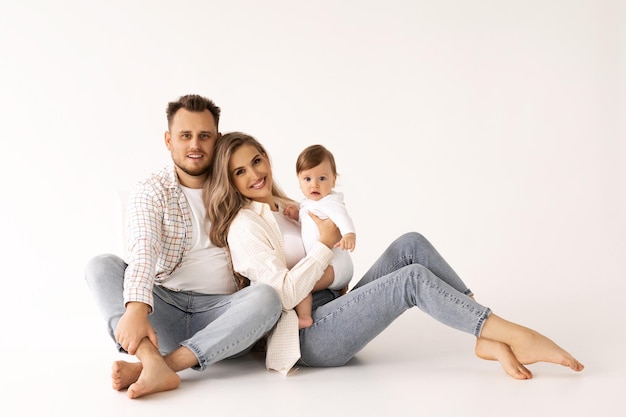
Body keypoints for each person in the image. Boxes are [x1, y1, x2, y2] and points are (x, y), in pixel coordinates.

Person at [205, 131, 585, 379]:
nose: (255, 173)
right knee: (411, 280)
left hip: (332, 304)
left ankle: (485, 335)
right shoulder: (244, 226)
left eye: (257, 160)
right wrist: (324, 247)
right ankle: (518, 335)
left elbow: (336, 264)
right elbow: (282, 295)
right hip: (308, 338)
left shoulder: (288, 205)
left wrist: (331, 265)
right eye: (240, 171)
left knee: (410, 243)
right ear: (229, 180)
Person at [84, 95, 282, 399]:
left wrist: (295, 210)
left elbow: (274, 223)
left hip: (224, 317)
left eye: (204, 136)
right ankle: (151, 360)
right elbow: (143, 250)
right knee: (101, 266)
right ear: (168, 140)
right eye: (185, 136)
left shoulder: (236, 182)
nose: (195, 145)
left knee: (267, 297)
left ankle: (160, 368)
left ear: (217, 139)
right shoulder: (152, 191)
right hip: (164, 311)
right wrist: (137, 307)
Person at [283, 144, 356, 329]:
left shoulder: (330, 202)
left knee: (302, 284)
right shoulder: (309, 203)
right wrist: (296, 215)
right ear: (299, 181)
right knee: (303, 279)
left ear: (333, 180)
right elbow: (311, 227)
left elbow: (342, 217)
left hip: (335, 266)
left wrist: (349, 234)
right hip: (332, 266)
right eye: (307, 179)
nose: (314, 184)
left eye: (322, 178)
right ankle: (339, 296)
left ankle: (305, 317)